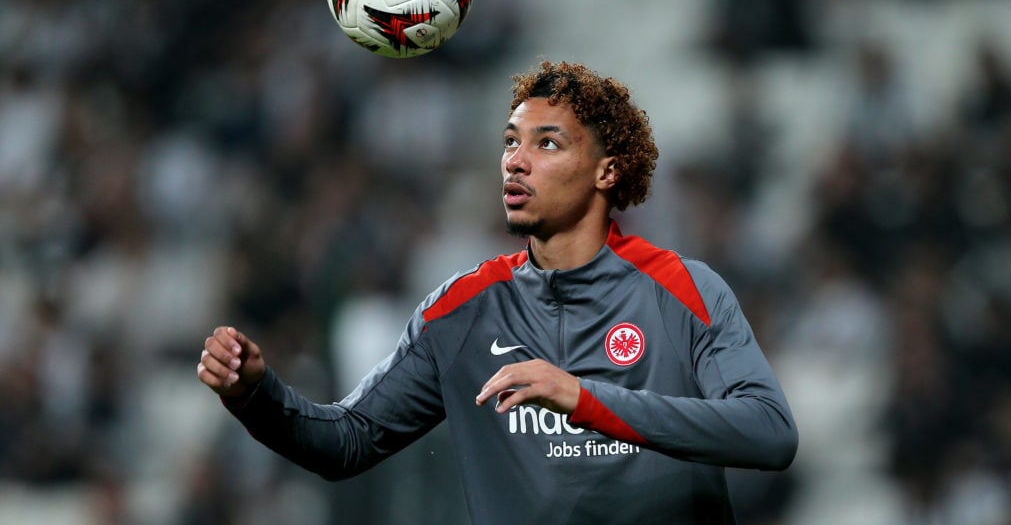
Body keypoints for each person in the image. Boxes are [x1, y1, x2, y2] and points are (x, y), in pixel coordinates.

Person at [197, 60, 798, 524]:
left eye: (547, 144)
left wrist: (584, 399)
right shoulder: (462, 310)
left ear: (607, 171)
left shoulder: (684, 289)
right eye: (511, 141)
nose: (515, 162)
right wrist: (256, 393)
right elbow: (345, 442)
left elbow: (770, 433)